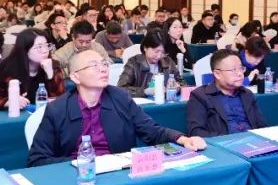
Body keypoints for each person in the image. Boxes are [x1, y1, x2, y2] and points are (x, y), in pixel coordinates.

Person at [28, 48, 206, 166]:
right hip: (78, 176)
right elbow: (37, 160)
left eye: (104, 64)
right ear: (75, 77)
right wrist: (80, 163)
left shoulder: (120, 98)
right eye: (93, 65)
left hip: (118, 174)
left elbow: (152, 131)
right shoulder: (57, 109)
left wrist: (182, 139)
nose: (103, 69)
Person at [186, 49, 268, 137]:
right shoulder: (200, 96)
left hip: (253, 141)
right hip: (223, 142)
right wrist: (228, 140)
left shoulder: (247, 94)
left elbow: (262, 126)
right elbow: (196, 132)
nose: (240, 73)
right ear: (217, 74)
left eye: (241, 68)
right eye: (233, 70)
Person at [0, 29, 66, 110]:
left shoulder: (53, 65)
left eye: (46, 45)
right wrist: (9, 102)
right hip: (17, 116)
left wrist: (50, 75)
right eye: (39, 47)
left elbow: (62, 101)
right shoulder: (10, 67)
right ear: (25, 49)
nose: (45, 50)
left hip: (44, 115)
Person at [117, 30, 182, 98]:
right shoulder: (134, 62)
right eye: (156, 51)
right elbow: (121, 88)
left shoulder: (168, 62)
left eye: (163, 52)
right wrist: (145, 91)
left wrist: (178, 87)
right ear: (145, 48)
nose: (159, 56)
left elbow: (182, 82)